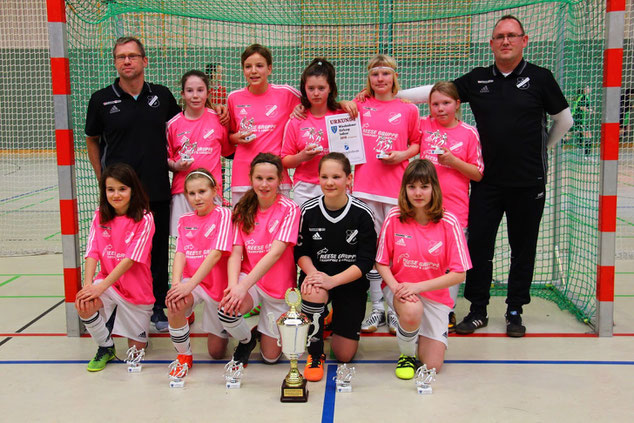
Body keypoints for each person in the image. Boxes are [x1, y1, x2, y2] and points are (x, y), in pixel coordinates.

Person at [396, 15, 573, 337]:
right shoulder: (477, 80)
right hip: (485, 183)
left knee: (523, 248)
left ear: (524, 40)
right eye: (499, 37)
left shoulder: (540, 78)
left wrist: (543, 148)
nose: (506, 41)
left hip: (527, 182)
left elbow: (565, 120)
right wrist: (390, 94)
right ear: (491, 44)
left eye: (512, 36)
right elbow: (438, 92)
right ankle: (477, 309)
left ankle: (515, 309)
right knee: (478, 247)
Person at [85, 36, 181, 332]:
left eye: (132, 56)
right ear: (115, 62)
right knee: (117, 253)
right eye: (121, 57)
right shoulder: (101, 99)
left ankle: (156, 306)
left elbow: (184, 126)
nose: (127, 61)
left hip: (156, 189)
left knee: (157, 251)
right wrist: (104, 181)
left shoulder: (162, 96)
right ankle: (115, 302)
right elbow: (91, 140)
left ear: (144, 61)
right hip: (119, 196)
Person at [376, 159, 471, 379]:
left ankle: (413, 334)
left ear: (434, 189)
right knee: (412, 310)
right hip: (401, 291)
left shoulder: (449, 221)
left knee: (432, 365)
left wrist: (417, 287)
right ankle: (406, 354)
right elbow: (381, 262)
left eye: (424, 187)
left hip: (434, 296)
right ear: (405, 189)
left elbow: (459, 273)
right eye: (412, 187)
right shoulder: (394, 217)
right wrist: (398, 288)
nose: (418, 193)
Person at [354, 54, 422, 335]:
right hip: (363, 188)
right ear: (368, 78)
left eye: (385, 74)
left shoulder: (408, 110)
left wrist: (401, 155)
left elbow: (417, 143)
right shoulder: (358, 106)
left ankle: (395, 308)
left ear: (394, 77)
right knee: (370, 251)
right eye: (374, 74)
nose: (380, 79)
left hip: (394, 190)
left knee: (394, 252)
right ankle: (377, 307)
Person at [295, 153, 377, 381]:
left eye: (336, 176)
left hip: (349, 283)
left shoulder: (363, 214)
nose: (329, 182)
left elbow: (365, 261)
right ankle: (315, 352)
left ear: (349, 179)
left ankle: (328, 317)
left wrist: (333, 280)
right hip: (319, 278)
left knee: (344, 355)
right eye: (324, 176)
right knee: (314, 290)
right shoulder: (307, 211)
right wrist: (314, 275)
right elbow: (300, 252)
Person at [166, 169, 254, 379]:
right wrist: (177, 284)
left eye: (202, 191)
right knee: (174, 303)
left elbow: (215, 255)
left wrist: (188, 285)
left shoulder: (225, 215)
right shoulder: (184, 219)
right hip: (193, 283)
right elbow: (180, 253)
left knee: (215, 353)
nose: (197, 198)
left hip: (218, 289)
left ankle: (248, 338)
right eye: (191, 193)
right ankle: (184, 355)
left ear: (214, 190)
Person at [220, 153, 300, 365]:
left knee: (271, 358)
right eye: (259, 178)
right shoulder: (241, 208)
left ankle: (261, 331)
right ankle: (246, 340)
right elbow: (235, 253)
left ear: (280, 180)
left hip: (278, 288)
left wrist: (241, 286)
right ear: (251, 178)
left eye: (270, 179)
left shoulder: (290, 209)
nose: (264, 184)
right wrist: (233, 287)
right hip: (251, 281)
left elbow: (274, 253)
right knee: (227, 310)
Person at [75, 163, 155, 372]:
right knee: (84, 301)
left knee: (137, 351)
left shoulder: (145, 218)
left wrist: (99, 288)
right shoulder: (99, 215)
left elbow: (130, 260)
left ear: (132, 190)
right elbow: (92, 252)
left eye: (122, 189)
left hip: (137, 292)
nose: (116, 194)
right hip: (109, 285)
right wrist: (88, 286)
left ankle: (139, 334)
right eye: (110, 189)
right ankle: (105, 346)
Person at [420, 81, 483, 331]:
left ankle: (448, 310)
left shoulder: (469, 133)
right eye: (435, 104)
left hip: (455, 211)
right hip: (424, 210)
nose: (440, 108)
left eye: (446, 103)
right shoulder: (424, 125)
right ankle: (425, 305)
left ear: (457, 105)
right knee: (426, 258)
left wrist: (453, 161)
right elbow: (399, 105)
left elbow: (477, 174)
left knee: (451, 264)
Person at [226, 44, 301, 205]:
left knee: (280, 226)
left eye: (259, 66)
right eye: (248, 66)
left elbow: (316, 102)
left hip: (276, 176)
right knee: (243, 226)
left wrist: (343, 103)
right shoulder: (234, 98)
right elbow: (229, 137)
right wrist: (236, 137)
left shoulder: (287, 93)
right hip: (243, 177)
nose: (253, 71)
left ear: (269, 69)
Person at [167, 70, 232, 236]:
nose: (195, 95)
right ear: (182, 94)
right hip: (183, 193)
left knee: (212, 242)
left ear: (208, 93)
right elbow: (166, 160)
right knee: (184, 244)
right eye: (189, 91)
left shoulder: (219, 120)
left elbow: (227, 150)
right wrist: (176, 165)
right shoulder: (173, 125)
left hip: (211, 192)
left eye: (200, 90)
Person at [281, 58, 354, 206]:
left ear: (330, 88)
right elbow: (285, 161)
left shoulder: (343, 117)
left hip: (336, 185)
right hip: (305, 188)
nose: (316, 93)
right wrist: (302, 156)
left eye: (321, 88)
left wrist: (345, 103)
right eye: (311, 88)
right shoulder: (296, 120)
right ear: (304, 89)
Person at [570, 85, 593, 156]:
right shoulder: (582, 97)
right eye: (588, 87)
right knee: (588, 135)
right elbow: (581, 107)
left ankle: (554, 147)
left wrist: (591, 110)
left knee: (569, 135)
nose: (590, 89)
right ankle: (587, 156)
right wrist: (589, 110)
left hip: (577, 119)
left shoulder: (585, 97)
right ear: (584, 89)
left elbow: (587, 107)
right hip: (578, 119)